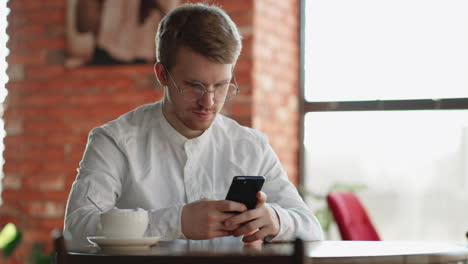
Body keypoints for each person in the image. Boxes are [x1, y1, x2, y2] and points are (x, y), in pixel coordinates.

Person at [64, 3, 323, 249]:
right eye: (194, 86)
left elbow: (311, 228)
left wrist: (275, 221)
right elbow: (77, 230)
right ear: (162, 75)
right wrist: (176, 222)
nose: (208, 102)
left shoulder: (251, 146)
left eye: (221, 85)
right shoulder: (114, 141)